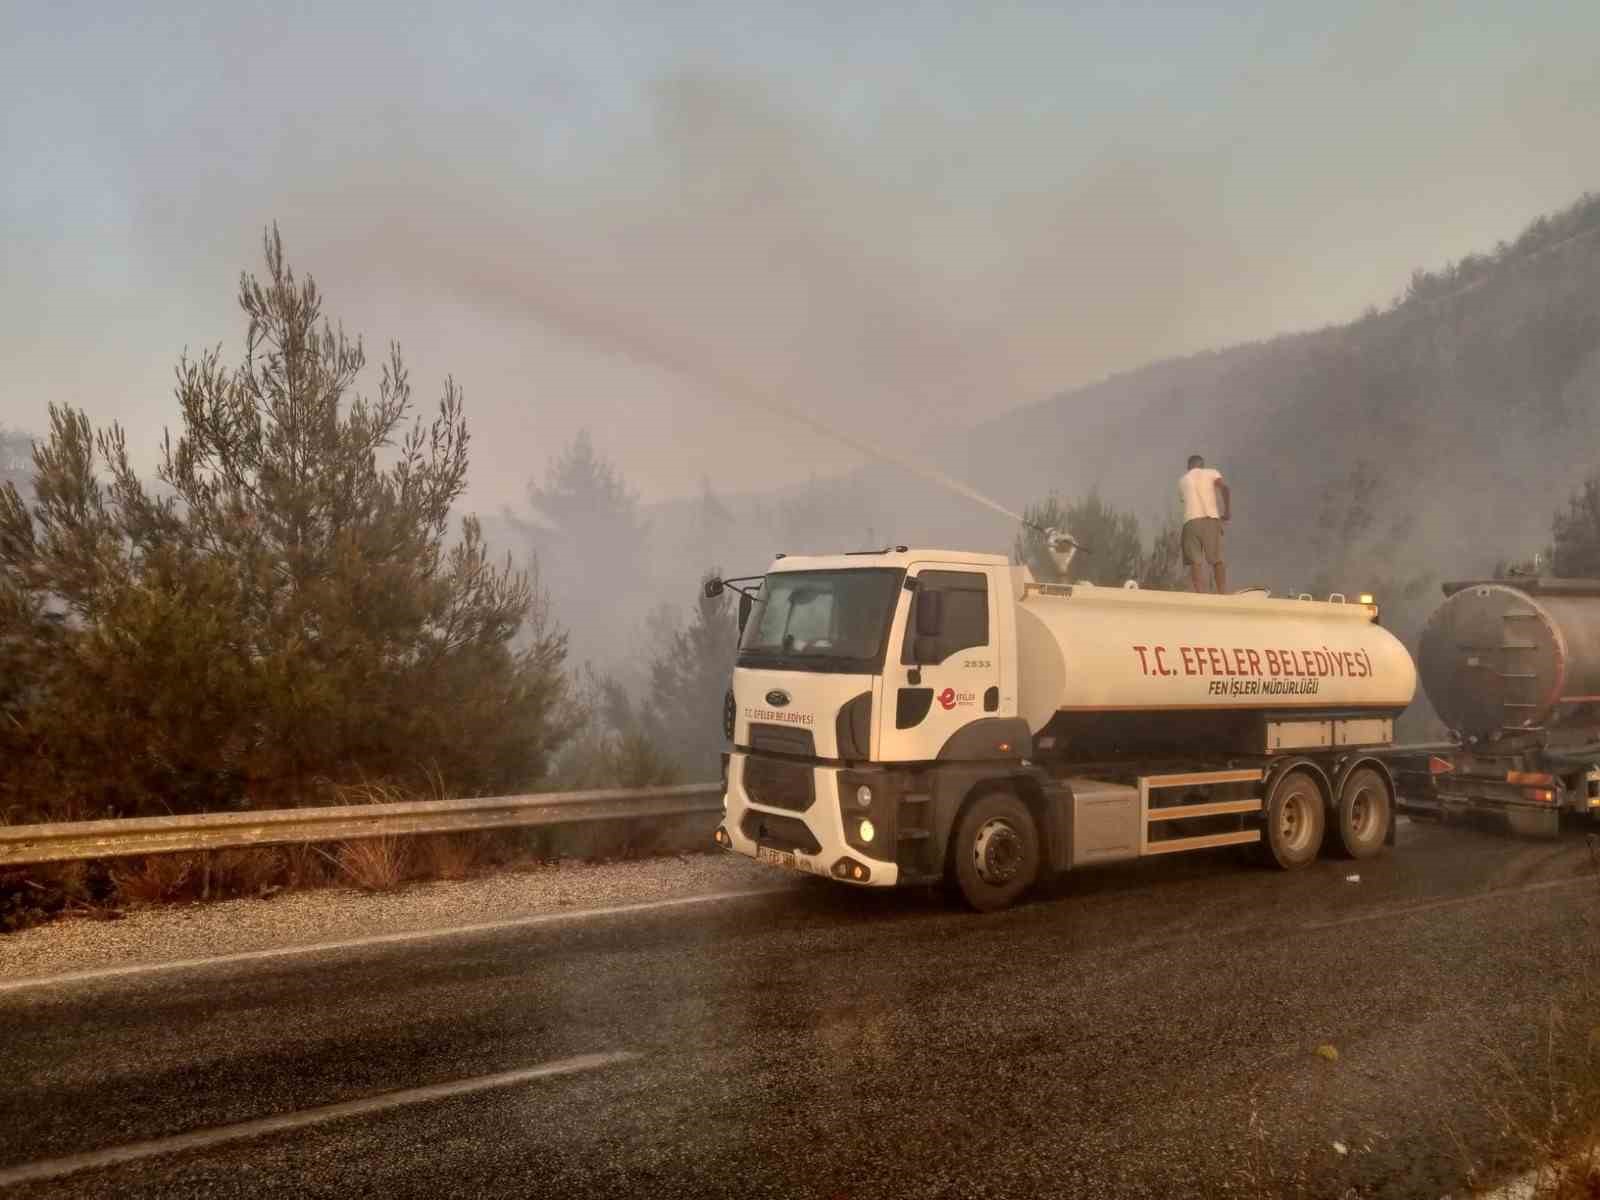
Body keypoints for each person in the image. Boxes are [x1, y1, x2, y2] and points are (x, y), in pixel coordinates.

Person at [1178, 454, 1231, 593]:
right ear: (1202, 465)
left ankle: (1199, 594)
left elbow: (1183, 499)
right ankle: (1222, 592)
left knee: (1195, 561)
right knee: (1217, 559)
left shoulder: (1183, 480)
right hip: (1210, 519)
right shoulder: (1212, 473)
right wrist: (1227, 512)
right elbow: (1225, 489)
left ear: (1189, 466)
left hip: (1190, 521)